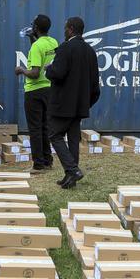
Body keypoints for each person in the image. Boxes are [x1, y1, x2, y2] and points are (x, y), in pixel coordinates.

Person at [45, 16, 100, 189]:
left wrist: (49, 69)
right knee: (73, 139)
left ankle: (72, 169)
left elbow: (58, 73)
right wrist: (86, 103)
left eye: (65, 28)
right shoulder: (90, 51)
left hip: (62, 105)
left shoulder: (65, 48)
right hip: (80, 106)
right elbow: (95, 84)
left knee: (54, 135)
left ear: (69, 29)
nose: (64, 31)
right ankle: (71, 177)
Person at [16, 14, 58, 172]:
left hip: (34, 91)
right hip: (49, 89)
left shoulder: (36, 47)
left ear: (35, 28)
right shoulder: (53, 42)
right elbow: (41, 53)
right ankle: (48, 160)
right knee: (45, 127)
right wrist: (32, 39)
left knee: (35, 128)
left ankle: (38, 164)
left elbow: (34, 72)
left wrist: (21, 70)